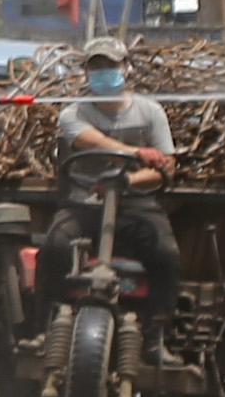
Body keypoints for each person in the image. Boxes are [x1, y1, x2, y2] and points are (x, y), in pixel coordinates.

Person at [39, 36, 184, 363]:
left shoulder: (150, 112)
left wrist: (128, 179)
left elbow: (166, 166)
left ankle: (156, 333)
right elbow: (90, 140)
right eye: (97, 67)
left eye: (111, 66)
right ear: (87, 74)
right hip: (83, 203)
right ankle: (45, 327)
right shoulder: (73, 113)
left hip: (137, 205)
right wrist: (135, 153)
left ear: (127, 69)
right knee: (54, 247)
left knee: (166, 254)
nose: (104, 73)